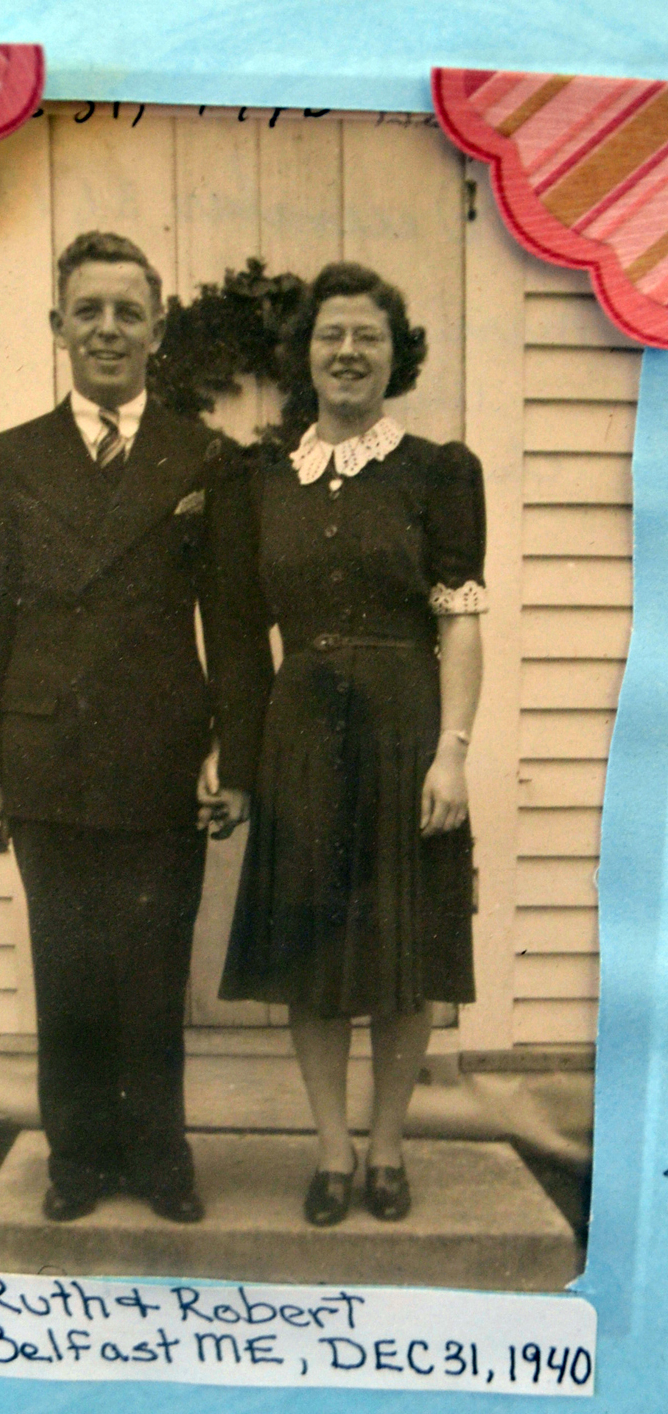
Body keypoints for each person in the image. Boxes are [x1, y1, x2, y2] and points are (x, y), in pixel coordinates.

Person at [0, 231, 272, 1225]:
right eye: (87, 310)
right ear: (58, 328)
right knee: (67, 964)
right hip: (42, 751)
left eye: (126, 311)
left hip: (158, 752)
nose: (106, 328)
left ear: (156, 327)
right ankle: (79, 1156)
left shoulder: (203, 457)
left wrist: (237, 761)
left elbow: (230, 626)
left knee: (150, 962)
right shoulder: (8, 459)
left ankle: (157, 1151)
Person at [219, 261, 486, 1226]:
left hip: (404, 727)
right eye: (331, 334)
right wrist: (240, 765)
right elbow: (245, 637)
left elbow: (459, 621)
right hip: (302, 731)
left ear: (395, 355)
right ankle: (331, 1153)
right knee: (313, 953)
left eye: (368, 335)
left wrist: (451, 749)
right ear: (305, 355)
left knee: (404, 951)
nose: (347, 351)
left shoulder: (437, 473)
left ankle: (386, 1151)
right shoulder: (262, 480)